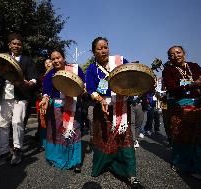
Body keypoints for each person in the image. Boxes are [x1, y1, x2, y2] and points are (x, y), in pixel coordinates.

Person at [162, 45, 201, 184]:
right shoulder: (168, 70)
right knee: (182, 136)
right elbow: (172, 88)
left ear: (184, 53)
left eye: (178, 52)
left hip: (198, 104)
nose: (176, 55)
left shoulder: (194, 66)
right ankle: (183, 164)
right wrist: (191, 85)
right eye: (172, 54)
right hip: (180, 106)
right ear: (169, 57)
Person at [85, 37, 142, 188]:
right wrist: (99, 99)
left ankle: (131, 174)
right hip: (101, 108)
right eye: (99, 48)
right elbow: (90, 88)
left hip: (121, 108)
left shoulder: (120, 61)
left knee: (125, 138)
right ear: (93, 51)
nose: (103, 51)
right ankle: (104, 164)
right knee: (103, 138)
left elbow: (132, 76)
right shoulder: (92, 69)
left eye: (105, 47)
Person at [0, 33, 38, 166]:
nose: (16, 46)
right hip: (4, 96)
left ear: (22, 46)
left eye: (19, 44)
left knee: (17, 122)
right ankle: (4, 152)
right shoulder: (3, 59)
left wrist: (30, 83)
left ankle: (17, 150)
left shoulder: (27, 60)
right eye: (14, 43)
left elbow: (34, 77)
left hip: (21, 96)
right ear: (9, 45)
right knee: (2, 124)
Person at [39, 49, 84, 173]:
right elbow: (47, 90)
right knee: (58, 132)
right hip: (57, 107)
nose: (55, 60)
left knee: (74, 131)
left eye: (58, 58)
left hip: (74, 106)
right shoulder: (50, 73)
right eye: (53, 59)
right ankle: (58, 157)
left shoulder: (75, 69)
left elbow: (82, 84)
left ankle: (76, 161)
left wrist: (83, 90)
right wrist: (45, 99)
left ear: (64, 58)